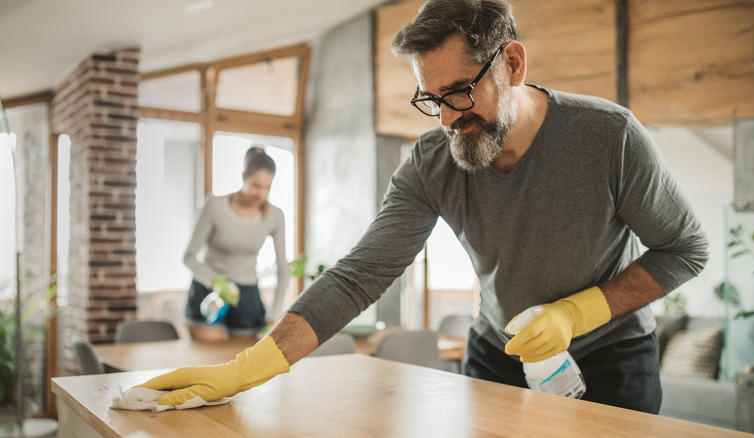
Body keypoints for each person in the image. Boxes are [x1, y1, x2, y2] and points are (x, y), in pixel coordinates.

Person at [139, 0, 708, 414]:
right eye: (429, 99)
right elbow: (361, 275)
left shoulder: (609, 137)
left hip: (612, 355)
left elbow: (686, 249)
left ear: (512, 63)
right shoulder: (433, 160)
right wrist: (247, 369)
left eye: (459, 91)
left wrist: (576, 313)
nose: (445, 119)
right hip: (497, 352)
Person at [182, 145, 289, 342]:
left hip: (247, 296)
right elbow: (189, 257)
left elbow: (283, 269)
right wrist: (215, 281)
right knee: (208, 359)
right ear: (243, 177)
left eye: (268, 187)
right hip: (208, 290)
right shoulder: (214, 205)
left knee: (242, 361)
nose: (261, 194)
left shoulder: (275, 216)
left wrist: (275, 314)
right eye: (256, 185)